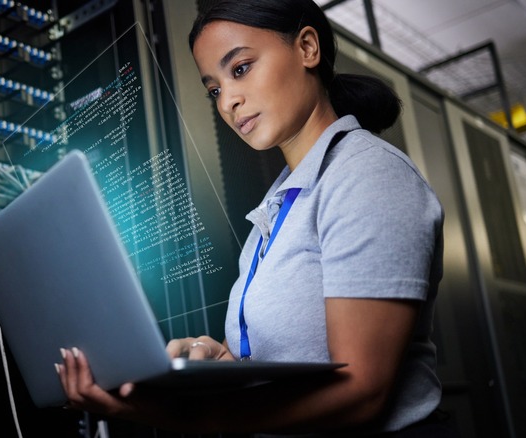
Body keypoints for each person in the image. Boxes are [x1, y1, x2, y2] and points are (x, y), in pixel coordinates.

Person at [56, 0, 452, 436]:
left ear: (306, 48)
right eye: (214, 89)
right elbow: (285, 357)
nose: (228, 101)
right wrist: (214, 356)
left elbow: (362, 391)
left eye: (240, 69)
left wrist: (190, 418)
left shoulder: (368, 176)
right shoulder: (281, 204)